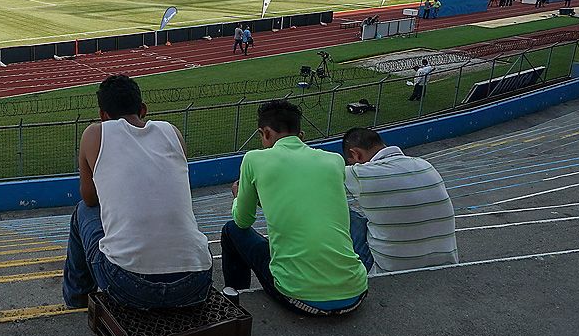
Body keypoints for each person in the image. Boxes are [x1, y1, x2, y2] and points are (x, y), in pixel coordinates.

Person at [62, 75, 213, 310]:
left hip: (129, 284)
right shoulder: (172, 132)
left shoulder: (94, 134)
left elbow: (89, 199)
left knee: (82, 211)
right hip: (196, 280)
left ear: (103, 115)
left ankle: (77, 301)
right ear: (143, 109)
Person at [218, 100, 369, 315]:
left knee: (231, 230)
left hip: (299, 296)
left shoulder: (254, 159)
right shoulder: (334, 160)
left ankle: (236, 298)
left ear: (265, 133)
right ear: (301, 135)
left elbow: (243, 221)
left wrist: (237, 198)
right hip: (356, 290)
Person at [341, 127, 459, 272]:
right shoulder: (425, 165)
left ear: (356, 154)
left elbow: (320, 176)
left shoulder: (358, 173)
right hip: (446, 263)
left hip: (391, 268)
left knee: (345, 213)